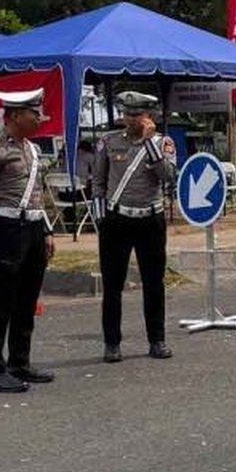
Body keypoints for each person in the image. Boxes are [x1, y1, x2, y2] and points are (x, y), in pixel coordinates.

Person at [0, 89, 56, 393]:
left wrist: (46, 232)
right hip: (6, 231)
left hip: (32, 230)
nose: (39, 119)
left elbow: (37, 196)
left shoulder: (32, 149)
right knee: (2, 301)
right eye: (35, 114)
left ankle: (20, 361)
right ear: (16, 116)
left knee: (27, 299)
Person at [91, 91, 176, 363]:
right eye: (127, 114)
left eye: (136, 114)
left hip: (150, 219)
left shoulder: (163, 142)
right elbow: (98, 182)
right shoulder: (109, 141)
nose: (130, 119)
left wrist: (150, 142)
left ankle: (157, 340)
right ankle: (112, 343)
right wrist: (100, 219)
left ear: (148, 116)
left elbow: (167, 176)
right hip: (117, 220)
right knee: (113, 284)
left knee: (154, 282)